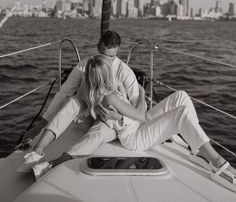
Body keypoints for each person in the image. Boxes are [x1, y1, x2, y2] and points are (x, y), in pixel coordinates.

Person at [63, 55, 236, 192]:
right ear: (104, 74)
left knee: (181, 96)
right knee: (180, 114)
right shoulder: (110, 97)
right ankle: (217, 161)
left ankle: (199, 150)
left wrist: (130, 99)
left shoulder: (106, 91)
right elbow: (142, 115)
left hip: (135, 124)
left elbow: (135, 110)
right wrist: (141, 92)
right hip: (134, 137)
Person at [17, 31, 141, 177]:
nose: (106, 60)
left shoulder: (125, 72)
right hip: (90, 114)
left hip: (111, 122)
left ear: (118, 51)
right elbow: (63, 93)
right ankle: (36, 153)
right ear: (97, 47)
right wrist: (38, 128)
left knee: (98, 132)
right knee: (72, 101)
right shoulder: (85, 65)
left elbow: (136, 105)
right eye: (103, 55)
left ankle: (50, 165)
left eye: (111, 57)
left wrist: (119, 117)